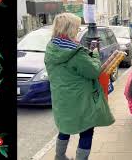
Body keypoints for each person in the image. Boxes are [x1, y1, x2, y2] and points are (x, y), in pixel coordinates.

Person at [44, 13, 115, 160]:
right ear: (69, 29)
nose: (78, 30)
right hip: (80, 101)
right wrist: (94, 54)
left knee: (64, 128)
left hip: (61, 100)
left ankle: (59, 156)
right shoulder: (76, 53)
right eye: (76, 27)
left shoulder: (51, 47)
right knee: (87, 131)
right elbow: (94, 72)